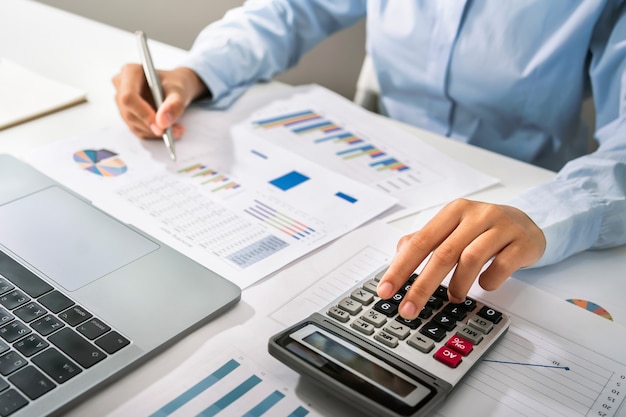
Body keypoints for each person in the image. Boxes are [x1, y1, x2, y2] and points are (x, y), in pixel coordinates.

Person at [113, 1, 626, 320]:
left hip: (518, 189)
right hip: (375, 174)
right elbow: (291, 10)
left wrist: (544, 214)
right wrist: (196, 73)